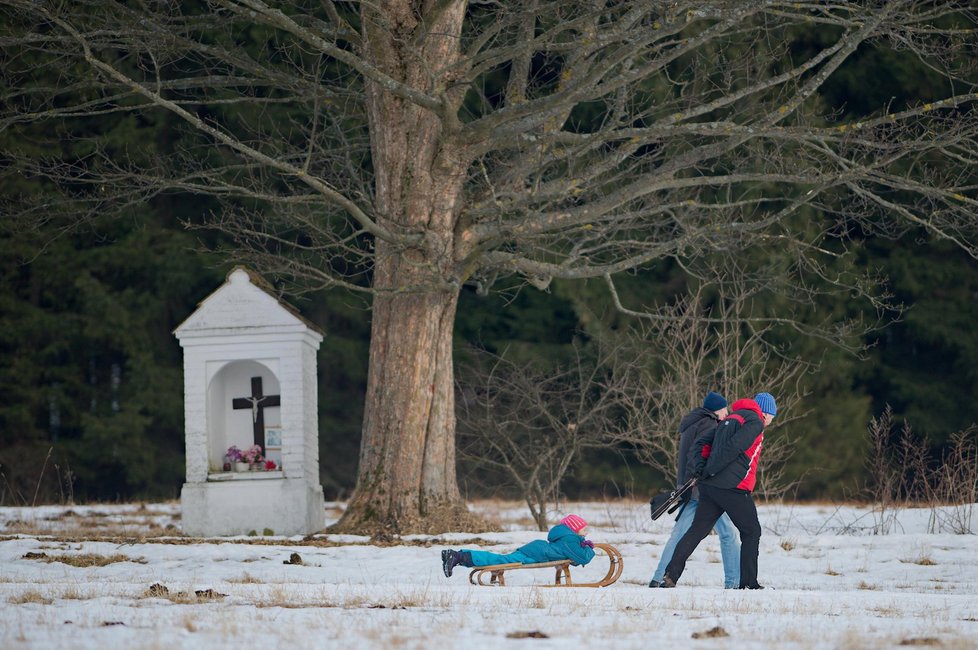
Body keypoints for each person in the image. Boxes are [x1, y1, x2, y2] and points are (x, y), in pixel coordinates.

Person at [660, 392, 777, 590]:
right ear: (766, 413)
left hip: (710, 487)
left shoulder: (730, 418)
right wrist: (710, 469)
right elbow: (734, 447)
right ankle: (749, 584)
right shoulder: (755, 422)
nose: (769, 422)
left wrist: (700, 470)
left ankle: (670, 575)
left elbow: (700, 444)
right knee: (751, 531)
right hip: (732, 487)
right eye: (772, 418)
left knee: (697, 531)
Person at [649, 391, 741, 589]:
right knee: (728, 534)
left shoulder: (691, 423)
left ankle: (658, 577)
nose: (727, 413)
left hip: (690, 487)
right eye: (725, 409)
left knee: (680, 533)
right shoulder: (709, 424)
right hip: (705, 489)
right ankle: (734, 582)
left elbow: (687, 457)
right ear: (718, 409)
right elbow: (700, 455)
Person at [441, 514, 596, 577]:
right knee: (501, 561)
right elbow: (583, 558)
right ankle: (458, 556)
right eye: (584, 528)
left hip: (535, 551)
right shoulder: (570, 539)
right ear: (574, 529)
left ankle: (457, 555)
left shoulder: (567, 538)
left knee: (502, 559)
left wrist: (582, 547)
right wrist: (589, 548)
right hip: (533, 554)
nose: (587, 532)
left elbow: (572, 557)